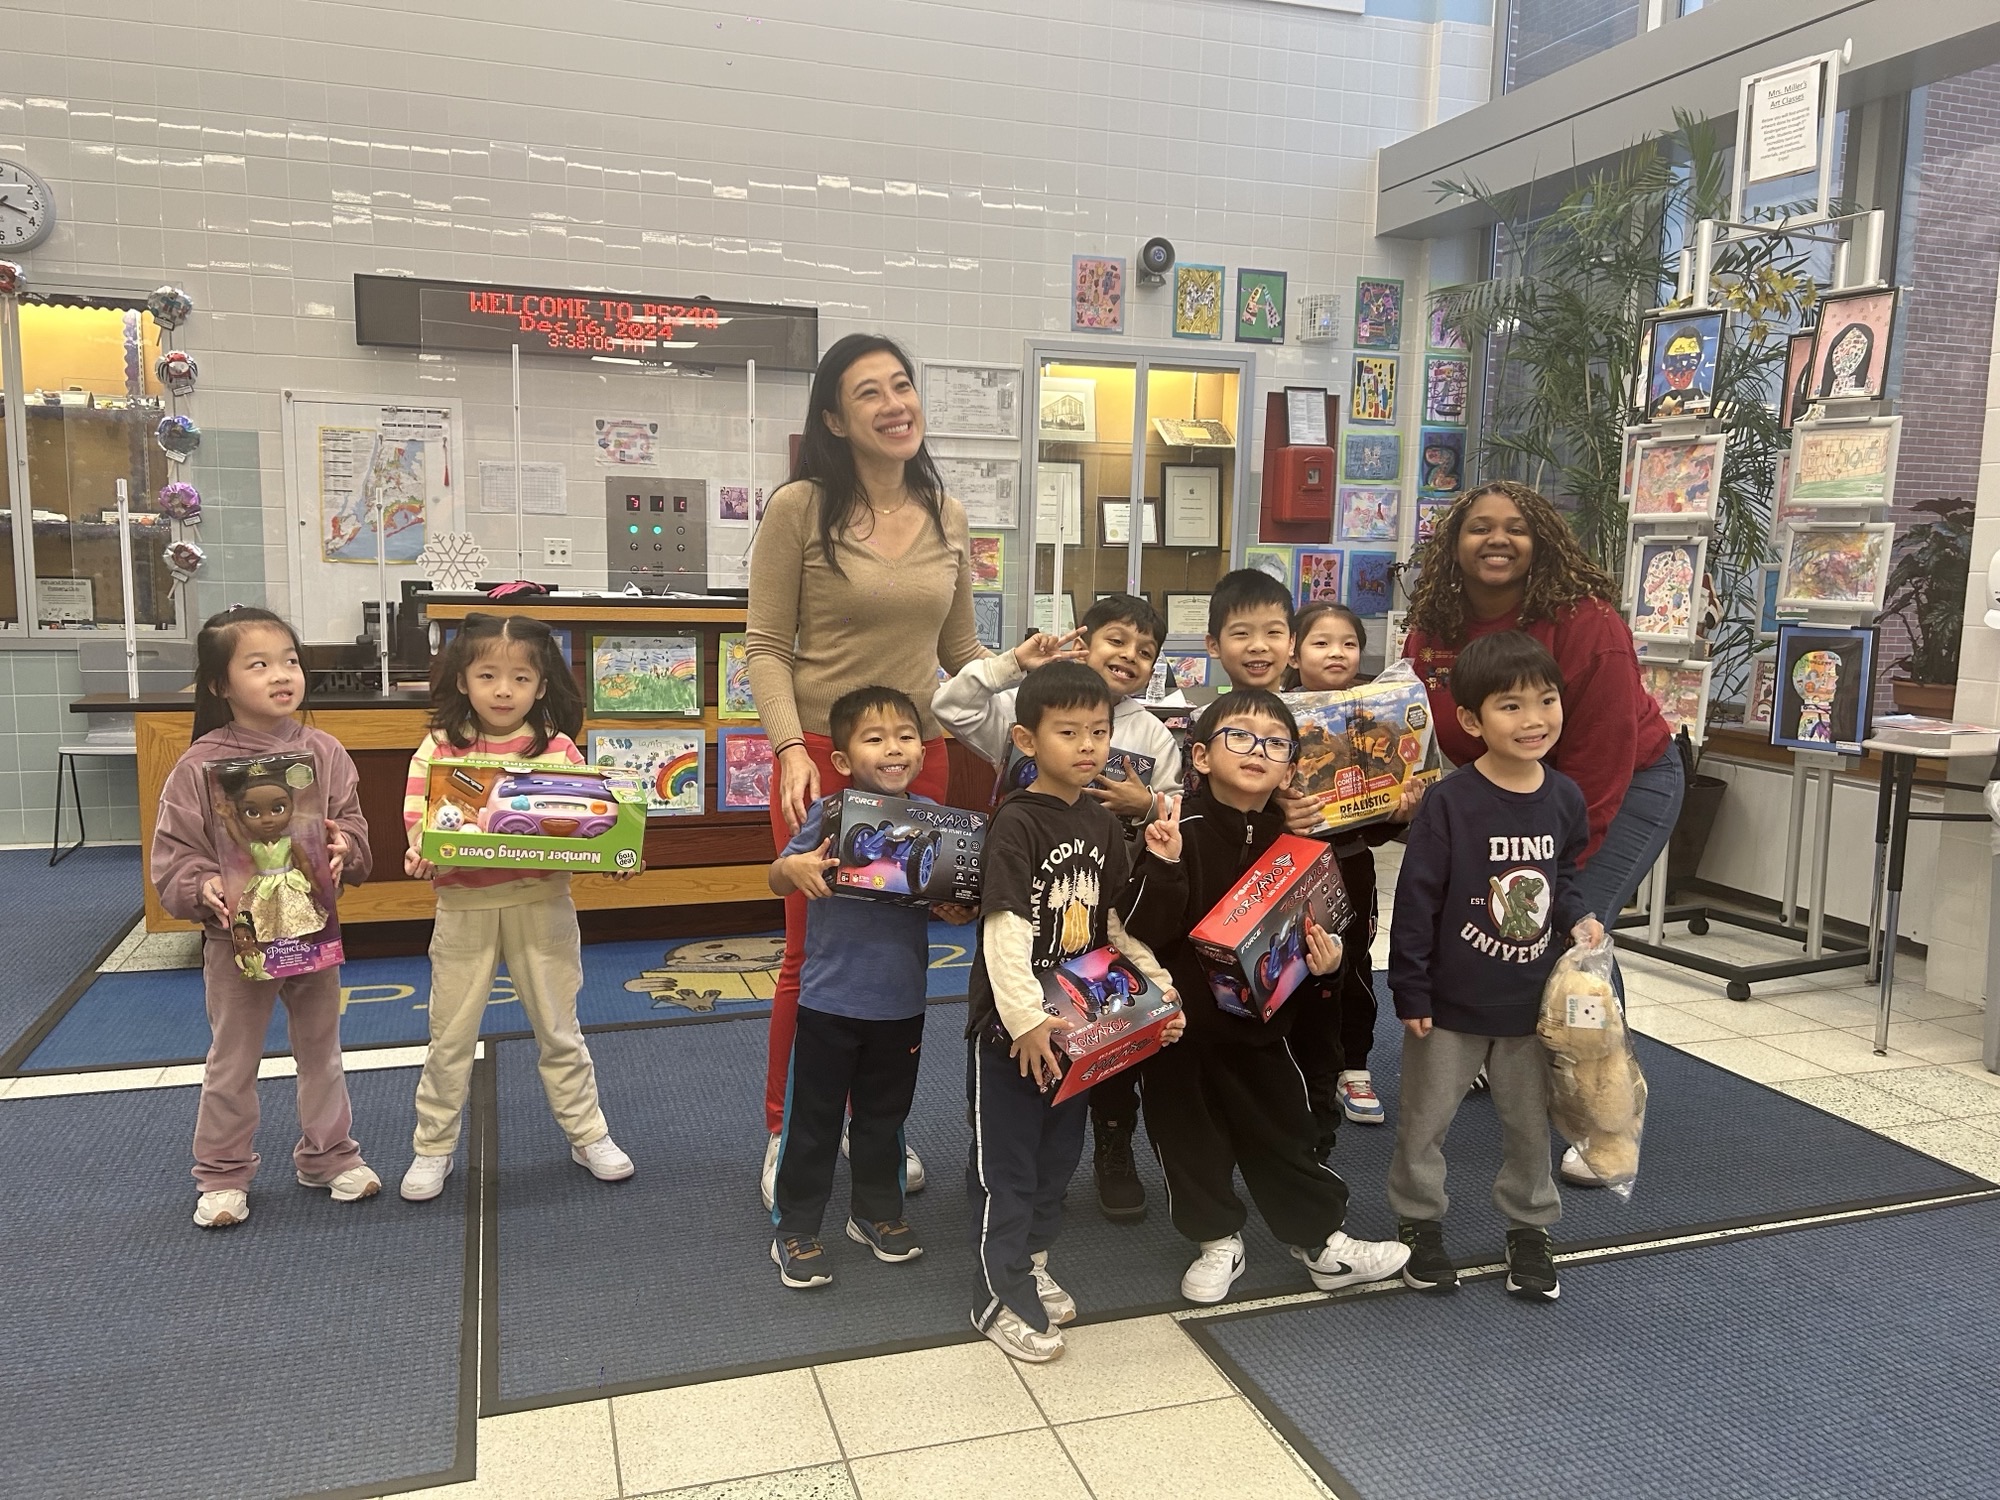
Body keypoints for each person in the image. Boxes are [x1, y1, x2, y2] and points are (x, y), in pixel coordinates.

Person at [746, 332, 987, 1207]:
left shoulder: (949, 513)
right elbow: (767, 647)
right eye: (868, 393)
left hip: (920, 759)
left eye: (902, 386)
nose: (894, 405)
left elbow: (958, 651)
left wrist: (1028, 686)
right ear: (835, 419)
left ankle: (870, 1131)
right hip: (823, 756)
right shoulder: (801, 509)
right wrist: (785, 753)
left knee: (898, 948)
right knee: (815, 953)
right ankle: (788, 1132)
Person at [1119, 691, 1411, 1304]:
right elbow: (1141, 934)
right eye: (1241, 737)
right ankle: (1217, 1238)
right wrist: (1163, 865)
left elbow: (1318, 936)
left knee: (1286, 1134)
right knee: (1186, 1140)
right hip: (1183, 1033)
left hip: (1268, 1029)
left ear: (1289, 767)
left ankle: (1321, 1244)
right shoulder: (1178, 829)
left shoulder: (1297, 841)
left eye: (1276, 743)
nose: (1259, 751)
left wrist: (1327, 967)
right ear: (1199, 755)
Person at [934, 591, 1181, 1223]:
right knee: (1010, 1106)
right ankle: (1002, 1220)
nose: (1129, 656)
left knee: (1078, 1092)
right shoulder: (1032, 705)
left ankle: (1103, 1157)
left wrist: (1145, 806)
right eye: (1116, 640)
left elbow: (1175, 810)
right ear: (1084, 639)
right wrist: (1015, 664)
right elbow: (951, 704)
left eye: (1145, 651)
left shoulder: (1152, 732)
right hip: (1025, 915)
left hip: (1098, 928)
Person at [965, 662, 1183, 1363]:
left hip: (1078, 1026)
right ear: (1028, 740)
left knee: (1059, 1157)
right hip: (1015, 1031)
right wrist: (1025, 1020)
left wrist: (1159, 989)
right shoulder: (1018, 821)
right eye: (1068, 732)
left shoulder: (1099, 820)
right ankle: (995, 1294)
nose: (1088, 745)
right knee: (1010, 1166)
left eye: (1098, 731)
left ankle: (1029, 1262)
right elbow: (1004, 925)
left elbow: (1112, 925)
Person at [1386, 632, 1605, 1303]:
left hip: (1528, 1003)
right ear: (1474, 721)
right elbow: (1417, 899)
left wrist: (1578, 915)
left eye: (1546, 700)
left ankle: (1531, 1228)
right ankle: (1419, 1224)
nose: (1534, 718)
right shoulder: (1451, 803)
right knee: (1426, 1121)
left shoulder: (1564, 797)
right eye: (1511, 706)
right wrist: (1411, 987)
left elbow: (1560, 875)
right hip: (1450, 1003)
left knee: (1529, 1124)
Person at [1401, 482, 1681, 997]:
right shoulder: (1435, 623)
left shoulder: (1587, 624)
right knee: (1492, 924)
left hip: (1623, 783)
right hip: (1500, 786)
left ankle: (1597, 1065)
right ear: (1453, 544)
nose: (1497, 540)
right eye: (1480, 528)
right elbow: (1416, 722)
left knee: (1571, 927)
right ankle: (1497, 1048)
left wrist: (1553, 857)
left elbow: (1600, 758)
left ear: (1541, 543)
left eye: (1516, 529)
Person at [150, 606, 377, 1229]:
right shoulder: (199, 765)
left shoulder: (323, 753)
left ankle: (329, 1155)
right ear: (220, 685)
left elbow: (354, 832)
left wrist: (343, 847)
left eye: (291, 661)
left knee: (322, 1049)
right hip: (237, 941)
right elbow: (173, 859)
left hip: (309, 929)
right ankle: (223, 1173)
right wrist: (205, 887)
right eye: (259, 665)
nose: (282, 675)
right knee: (234, 1057)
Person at [399, 613, 634, 1202]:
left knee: (559, 1028)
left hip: (543, 902)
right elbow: (419, 820)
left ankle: (588, 1133)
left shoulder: (556, 749)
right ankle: (433, 1146)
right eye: (487, 675)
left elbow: (586, 822)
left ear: (541, 685)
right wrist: (420, 851)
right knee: (449, 1035)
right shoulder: (440, 747)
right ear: (462, 681)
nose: (503, 690)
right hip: (464, 906)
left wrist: (610, 851)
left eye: (520, 678)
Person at [767, 686, 975, 1288]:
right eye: (875, 738)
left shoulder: (933, 825)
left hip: (901, 1003)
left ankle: (876, 1214)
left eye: (906, 737)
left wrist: (957, 908)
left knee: (886, 1118)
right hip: (829, 1001)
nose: (894, 749)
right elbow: (778, 875)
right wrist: (795, 868)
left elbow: (950, 900)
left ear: (924, 747)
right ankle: (797, 1228)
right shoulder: (830, 815)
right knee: (815, 1120)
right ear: (841, 759)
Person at [1282, 601, 1423, 1139]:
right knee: (1289, 964)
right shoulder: (1277, 714)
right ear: (1294, 651)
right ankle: (1295, 1059)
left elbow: (1370, 820)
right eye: (1320, 642)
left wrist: (1398, 813)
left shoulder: (1377, 709)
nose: (1336, 653)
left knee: (1355, 965)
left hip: (1351, 866)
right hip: (1286, 867)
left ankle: (1355, 1067)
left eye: (1347, 643)